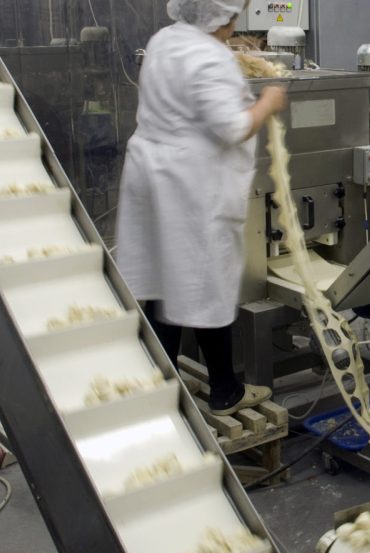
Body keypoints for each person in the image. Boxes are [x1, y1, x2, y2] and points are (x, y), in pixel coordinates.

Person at [116, 0, 286, 415]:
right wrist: (269, 103)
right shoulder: (209, 57)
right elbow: (231, 127)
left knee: (163, 281)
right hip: (190, 184)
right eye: (236, 12)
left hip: (150, 174)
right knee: (205, 282)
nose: (238, 20)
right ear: (221, 15)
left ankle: (162, 384)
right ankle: (226, 390)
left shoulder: (164, 40)